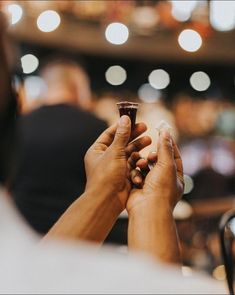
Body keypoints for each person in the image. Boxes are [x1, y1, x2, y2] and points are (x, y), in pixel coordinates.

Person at [0, 16, 225, 293]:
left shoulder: (26, 124)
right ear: (79, 89)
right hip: (91, 256)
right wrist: (151, 206)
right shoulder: (94, 128)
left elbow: (33, 276)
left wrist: (107, 191)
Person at [11, 58, 108, 234]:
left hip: (22, 232)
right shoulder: (98, 128)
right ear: (78, 87)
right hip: (78, 234)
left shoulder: (19, 124)